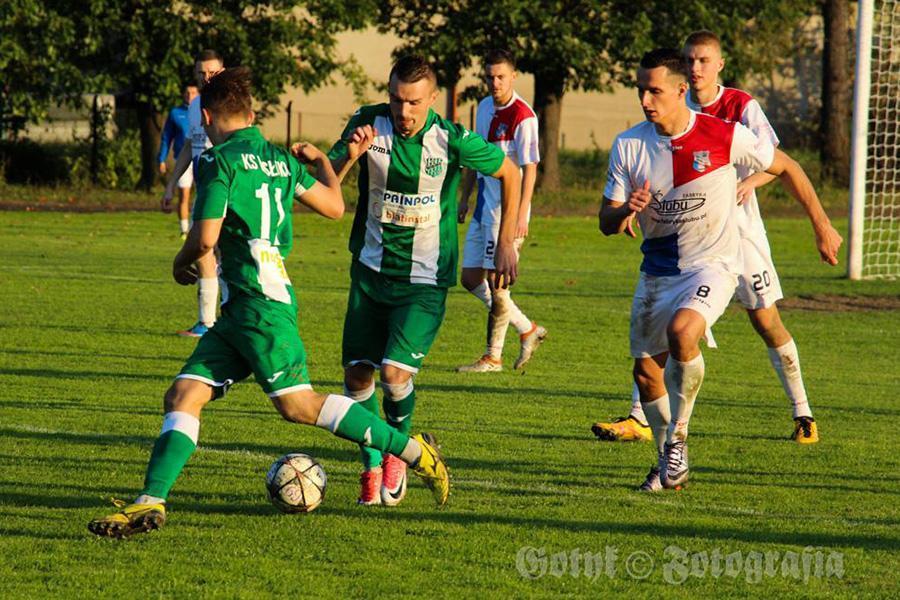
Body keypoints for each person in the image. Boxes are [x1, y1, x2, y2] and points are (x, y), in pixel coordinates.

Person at [87, 67, 450, 539]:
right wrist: (325, 164)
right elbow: (334, 207)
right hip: (245, 309)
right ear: (252, 114)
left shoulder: (218, 161)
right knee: (183, 395)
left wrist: (180, 263)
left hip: (260, 306)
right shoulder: (278, 159)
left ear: (207, 117)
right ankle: (149, 501)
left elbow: (205, 239)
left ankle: (416, 453)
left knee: (299, 406)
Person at [598, 49, 841, 491]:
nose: (645, 100)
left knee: (683, 332)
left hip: (712, 264)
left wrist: (822, 226)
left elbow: (788, 167)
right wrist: (624, 211)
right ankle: (668, 462)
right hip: (657, 271)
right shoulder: (629, 145)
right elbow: (605, 221)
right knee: (646, 375)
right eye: (640, 91)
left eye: (654, 91)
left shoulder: (725, 134)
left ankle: (678, 439)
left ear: (679, 90)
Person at [328, 55, 521, 506]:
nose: (404, 111)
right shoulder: (368, 124)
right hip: (369, 273)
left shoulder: (450, 138)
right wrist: (350, 156)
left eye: (414, 102)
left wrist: (506, 241)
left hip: (424, 279)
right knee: (357, 375)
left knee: (394, 374)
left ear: (432, 99)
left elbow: (510, 173)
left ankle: (398, 454)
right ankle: (371, 466)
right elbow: (324, 183)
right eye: (397, 99)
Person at [457, 49, 546, 373]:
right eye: (490, 77)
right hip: (483, 207)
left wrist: (521, 214)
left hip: (506, 212)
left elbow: (530, 169)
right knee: (469, 278)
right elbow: (474, 156)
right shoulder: (483, 107)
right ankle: (527, 328)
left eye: (501, 77)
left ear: (513, 77)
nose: (495, 83)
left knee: (498, 284)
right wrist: (465, 197)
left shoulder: (524, 116)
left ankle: (493, 357)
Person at [162, 50, 225, 338]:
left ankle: (216, 322)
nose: (206, 77)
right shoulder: (196, 104)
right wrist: (171, 183)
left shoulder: (229, 103)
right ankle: (208, 323)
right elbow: (190, 145)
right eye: (201, 72)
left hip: (224, 189)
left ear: (222, 71)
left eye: (212, 72)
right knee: (205, 251)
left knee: (216, 251)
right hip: (204, 189)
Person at [159, 84, 199, 239]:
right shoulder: (176, 113)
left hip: (200, 158)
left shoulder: (204, 111)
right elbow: (167, 137)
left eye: (193, 92)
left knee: (202, 194)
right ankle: (184, 230)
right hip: (182, 159)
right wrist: (162, 159)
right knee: (184, 194)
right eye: (187, 92)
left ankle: (197, 228)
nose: (190, 96)